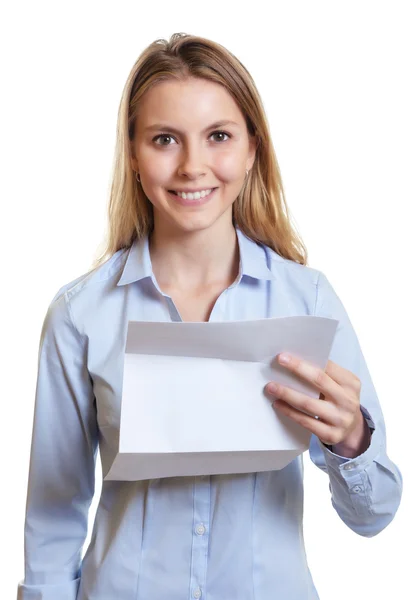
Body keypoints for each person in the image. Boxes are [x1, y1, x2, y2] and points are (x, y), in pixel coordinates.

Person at [17, 32, 403, 600]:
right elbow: (53, 517)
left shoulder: (308, 301)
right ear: (132, 152)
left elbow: (374, 517)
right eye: (165, 139)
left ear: (252, 149)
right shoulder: (81, 316)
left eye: (218, 136)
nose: (193, 165)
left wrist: (353, 441)